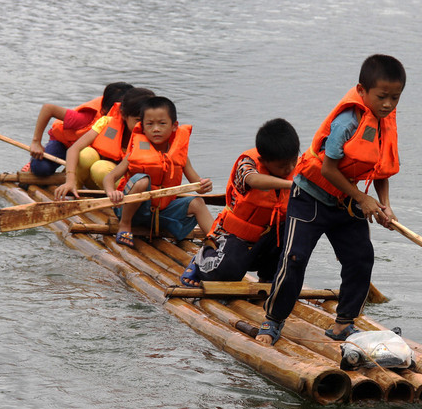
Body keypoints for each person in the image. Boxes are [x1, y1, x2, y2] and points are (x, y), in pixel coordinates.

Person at [256, 54, 406, 345]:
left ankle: (343, 324)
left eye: (395, 98)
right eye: (382, 96)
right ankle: (272, 321)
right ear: (362, 91)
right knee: (294, 258)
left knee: (360, 258)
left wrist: (384, 205)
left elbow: (380, 169)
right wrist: (363, 199)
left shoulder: (384, 123)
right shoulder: (347, 121)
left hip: (346, 203)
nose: (388, 104)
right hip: (310, 198)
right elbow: (328, 168)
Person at [179, 118, 300, 287]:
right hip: (237, 236)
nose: (290, 168)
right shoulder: (247, 163)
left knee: (295, 238)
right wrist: (291, 184)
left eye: (293, 161)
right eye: (282, 166)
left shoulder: (300, 166)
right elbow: (253, 180)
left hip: (270, 238)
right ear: (263, 160)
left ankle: (268, 277)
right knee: (226, 274)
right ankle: (201, 260)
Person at [102, 96, 213, 248]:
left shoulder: (180, 156)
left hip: (162, 214)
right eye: (150, 124)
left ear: (174, 126)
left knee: (197, 202)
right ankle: (124, 225)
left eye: (162, 124)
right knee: (142, 181)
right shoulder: (135, 153)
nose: (156, 129)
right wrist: (111, 192)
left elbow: (198, 186)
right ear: (142, 126)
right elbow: (110, 177)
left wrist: (205, 185)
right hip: (134, 213)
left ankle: (217, 241)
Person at [53, 88, 155, 200]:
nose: (143, 125)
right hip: (96, 182)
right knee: (86, 154)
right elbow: (73, 149)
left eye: (148, 121)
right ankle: (73, 192)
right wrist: (70, 181)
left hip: (126, 189)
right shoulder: (107, 122)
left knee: (100, 168)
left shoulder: (154, 134)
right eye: (138, 120)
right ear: (123, 114)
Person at [25, 82, 134, 176]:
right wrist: (36, 142)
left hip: (88, 150)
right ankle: (32, 164)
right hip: (65, 145)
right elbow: (48, 108)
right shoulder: (85, 119)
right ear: (106, 110)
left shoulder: (133, 119)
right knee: (41, 168)